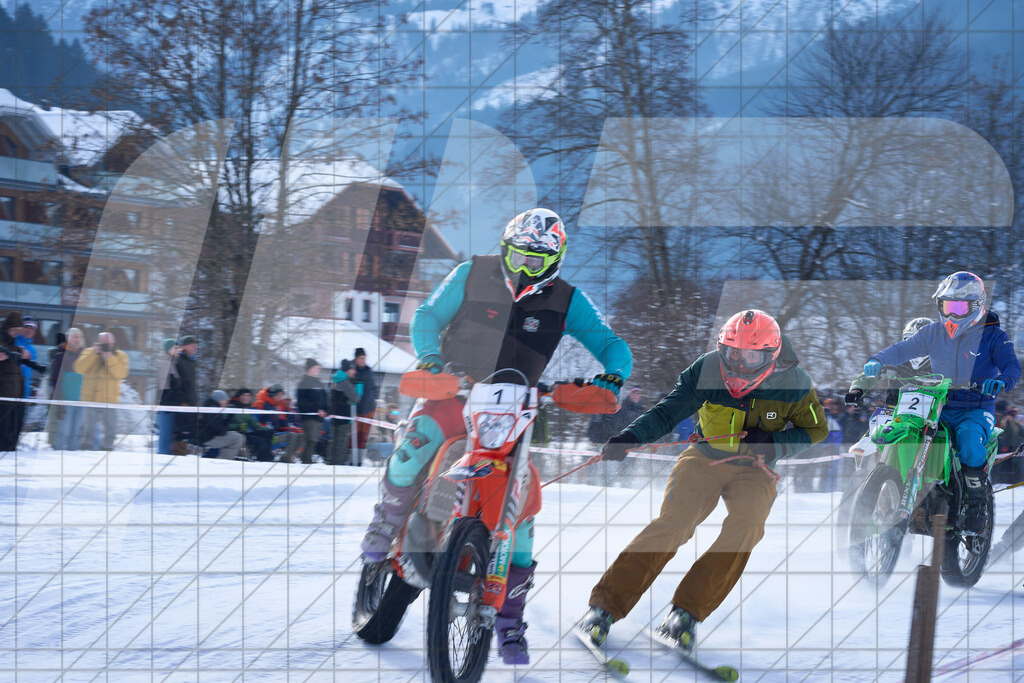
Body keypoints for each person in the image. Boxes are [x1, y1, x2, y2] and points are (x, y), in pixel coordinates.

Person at [359, 207, 633, 665]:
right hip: (454, 388)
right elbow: (427, 314)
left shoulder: (567, 300)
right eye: (519, 255)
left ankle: (509, 618)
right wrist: (428, 357)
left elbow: (611, 345)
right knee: (416, 446)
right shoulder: (470, 272)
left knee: (522, 505)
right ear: (505, 248)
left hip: (517, 407)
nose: (525, 268)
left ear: (556, 260)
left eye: (538, 261)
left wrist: (612, 376)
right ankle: (384, 527)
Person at [578, 309, 827, 653]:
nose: (739, 363)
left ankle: (685, 616)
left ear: (770, 354)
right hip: (706, 456)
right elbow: (669, 411)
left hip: (755, 466)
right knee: (675, 523)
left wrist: (773, 443)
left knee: (747, 525)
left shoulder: (795, 383)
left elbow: (816, 430)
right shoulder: (708, 368)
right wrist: (629, 437)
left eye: (751, 355)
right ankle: (603, 610)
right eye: (732, 352)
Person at [861, 272, 1021, 533]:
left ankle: (977, 505)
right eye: (946, 306)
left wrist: (1002, 381)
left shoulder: (994, 336)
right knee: (907, 430)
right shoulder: (933, 332)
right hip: (937, 403)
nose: (952, 315)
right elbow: (904, 348)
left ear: (976, 305)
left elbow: (1011, 366)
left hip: (975, 407)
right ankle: (896, 486)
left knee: (969, 442)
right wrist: (878, 359)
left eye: (958, 308)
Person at [73, 331, 129, 450]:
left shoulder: (120, 355)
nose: (106, 346)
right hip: (90, 398)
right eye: (104, 343)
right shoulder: (89, 352)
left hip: (110, 399)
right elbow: (79, 368)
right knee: (87, 429)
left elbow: (121, 374)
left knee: (111, 430)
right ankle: (84, 449)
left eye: (109, 343)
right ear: (98, 342)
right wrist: (94, 353)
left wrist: (109, 358)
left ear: (113, 343)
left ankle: (107, 449)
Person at [51, 327, 86, 451]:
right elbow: (55, 379)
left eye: (79, 337)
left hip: (82, 401)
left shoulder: (86, 356)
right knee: (63, 432)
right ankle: (57, 455)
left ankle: (73, 457)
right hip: (66, 401)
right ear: (68, 339)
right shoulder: (61, 356)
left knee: (76, 433)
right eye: (74, 337)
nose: (77, 340)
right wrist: (58, 400)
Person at [0, 311, 30, 451]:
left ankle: (10, 447)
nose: (18, 332)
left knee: (14, 423)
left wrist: (21, 352)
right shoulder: (2, 338)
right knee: (5, 424)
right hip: (4, 390)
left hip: (15, 389)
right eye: (16, 329)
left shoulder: (13, 341)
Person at [252, 384, 300, 461]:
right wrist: (265, 427)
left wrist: (291, 428)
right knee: (292, 436)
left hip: (275, 434)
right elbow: (254, 422)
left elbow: (281, 423)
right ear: (274, 394)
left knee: (296, 435)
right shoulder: (259, 404)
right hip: (266, 435)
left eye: (282, 395)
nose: (281, 397)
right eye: (280, 395)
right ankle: (283, 458)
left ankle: (286, 458)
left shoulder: (278, 406)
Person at [295, 358, 328, 464]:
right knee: (310, 439)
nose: (317, 371)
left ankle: (306, 458)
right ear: (309, 369)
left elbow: (325, 398)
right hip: (309, 417)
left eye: (318, 369)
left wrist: (326, 410)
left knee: (314, 439)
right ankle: (305, 459)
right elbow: (302, 402)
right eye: (315, 368)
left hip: (319, 417)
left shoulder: (319, 383)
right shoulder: (303, 383)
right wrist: (315, 410)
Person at [226, 388, 273, 461]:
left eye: (248, 396)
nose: (246, 398)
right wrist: (238, 426)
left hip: (245, 432)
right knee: (260, 440)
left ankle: (265, 455)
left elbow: (253, 424)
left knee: (266, 433)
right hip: (235, 433)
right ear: (239, 396)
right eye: (244, 395)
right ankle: (264, 459)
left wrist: (266, 428)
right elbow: (225, 424)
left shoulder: (247, 408)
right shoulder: (232, 407)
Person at [196, 390, 244, 460]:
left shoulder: (213, 406)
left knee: (237, 435)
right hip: (208, 438)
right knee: (237, 438)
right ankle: (224, 460)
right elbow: (216, 426)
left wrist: (230, 416)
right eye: (225, 400)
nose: (227, 402)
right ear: (218, 400)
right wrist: (225, 430)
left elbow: (219, 425)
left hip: (209, 436)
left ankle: (221, 457)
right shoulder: (213, 408)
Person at [328, 360, 360, 466]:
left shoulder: (336, 379)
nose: (354, 372)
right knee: (341, 442)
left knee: (335, 441)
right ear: (347, 370)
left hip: (335, 415)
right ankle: (339, 464)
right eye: (352, 369)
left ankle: (331, 462)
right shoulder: (345, 382)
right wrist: (358, 386)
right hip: (344, 416)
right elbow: (355, 398)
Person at [173, 335, 199, 455]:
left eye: (196, 345)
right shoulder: (178, 360)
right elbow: (178, 383)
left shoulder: (191, 361)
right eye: (192, 345)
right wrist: (182, 401)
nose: (195, 347)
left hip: (191, 402)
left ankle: (184, 452)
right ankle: (177, 453)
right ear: (184, 346)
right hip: (182, 403)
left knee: (188, 431)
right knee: (180, 432)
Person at [351, 347, 377, 461]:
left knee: (363, 437)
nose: (363, 360)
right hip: (355, 409)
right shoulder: (352, 371)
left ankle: (360, 460)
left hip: (368, 409)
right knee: (353, 436)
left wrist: (373, 401)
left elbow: (373, 388)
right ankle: (352, 459)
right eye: (360, 358)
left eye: (364, 358)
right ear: (356, 359)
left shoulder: (369, 371)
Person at [155, 339, 181, 455]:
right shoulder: (165, 363)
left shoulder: (172, 363)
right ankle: (162, 456)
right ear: (168, 349)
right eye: (175, 348)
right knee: (165, 435)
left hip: (170, 406)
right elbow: (164, 387)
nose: (178, 350)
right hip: (167, 406)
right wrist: (166, 406)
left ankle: (164, 455)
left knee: (167, 434)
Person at [16, 316, 39, 399]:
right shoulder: (13, 342)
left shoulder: (33, 350)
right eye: (26, 327)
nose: (28, 330)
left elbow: (29, 372)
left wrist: (27, 391)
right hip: (10, 389)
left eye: (31, 328)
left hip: (24, 392)